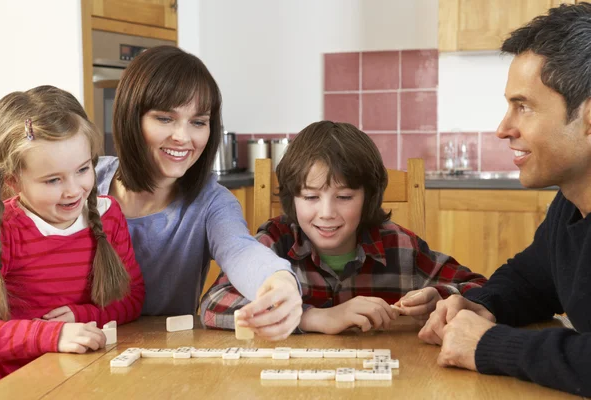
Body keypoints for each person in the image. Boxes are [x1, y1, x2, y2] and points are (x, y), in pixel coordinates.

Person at [418, 2, 591, 396]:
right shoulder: (570, 206)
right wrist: (480, 304)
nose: (502, 128)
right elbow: (530, 280)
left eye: (523, 107)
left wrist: (487, 345)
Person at [201, 121, 487, 334]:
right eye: (311, 197)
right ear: (292, 198)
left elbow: (481, 289)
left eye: (345, 197)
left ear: (368, 197)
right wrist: (312, 318)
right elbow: (212, 305)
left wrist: (440, 297)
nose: (327, 213)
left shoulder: (399, 246)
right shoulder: (276, 241)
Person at [96, 45, 302, 341]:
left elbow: (240, 250)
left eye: (198, 122)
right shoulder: (85, 182)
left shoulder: (212, 202)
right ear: (131, 117)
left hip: (165, 355)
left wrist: (280, 281)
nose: (183, 137)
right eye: (164, 118)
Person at [0, 85, 145, 383]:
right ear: (13, 180)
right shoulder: (2, 228)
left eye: (83, 169)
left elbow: (134, 297)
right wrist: (50, 335)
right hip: (17, 385)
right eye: (52, 180)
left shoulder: (108, 216)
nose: (74, 190)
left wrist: (82, 315)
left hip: (87, 378)